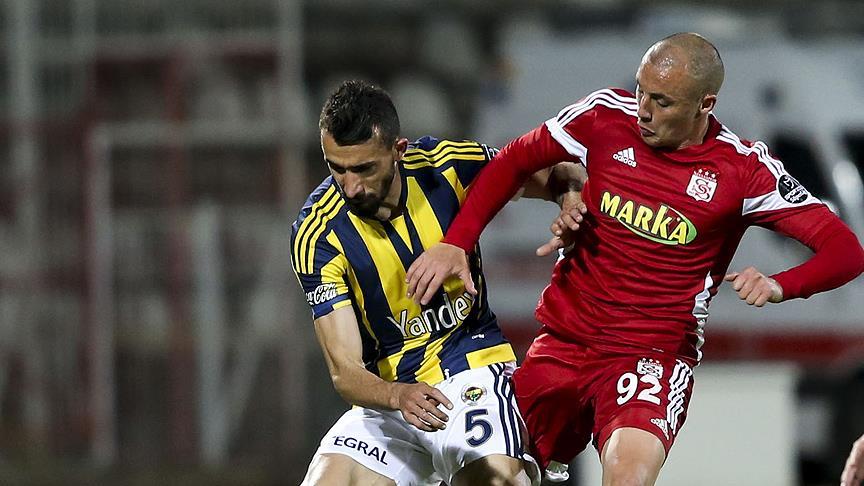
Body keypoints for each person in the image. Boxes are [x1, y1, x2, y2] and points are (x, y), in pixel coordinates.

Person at [405, 33, 864, 485]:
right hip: (565, 340)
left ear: (705, 104)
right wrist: (458, 241)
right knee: (490, 473)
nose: (644, 109)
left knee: (627, 474)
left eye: (662, 101)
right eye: (642, 90)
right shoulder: (604, 115)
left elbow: (845, 250)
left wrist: (782, 285)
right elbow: (516, 158)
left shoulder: (744, 170)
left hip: (652, 356)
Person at [291, 80, 584, 486]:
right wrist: (397, 395)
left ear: (398, 150)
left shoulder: (445, 166)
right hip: (391, 398)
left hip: (472, 367)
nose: (351, 186)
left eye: (364, 168)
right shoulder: (318, 232)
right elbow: (345, 370)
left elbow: (562, 172)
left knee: (496, 479)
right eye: (336, 168)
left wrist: (571, 204)